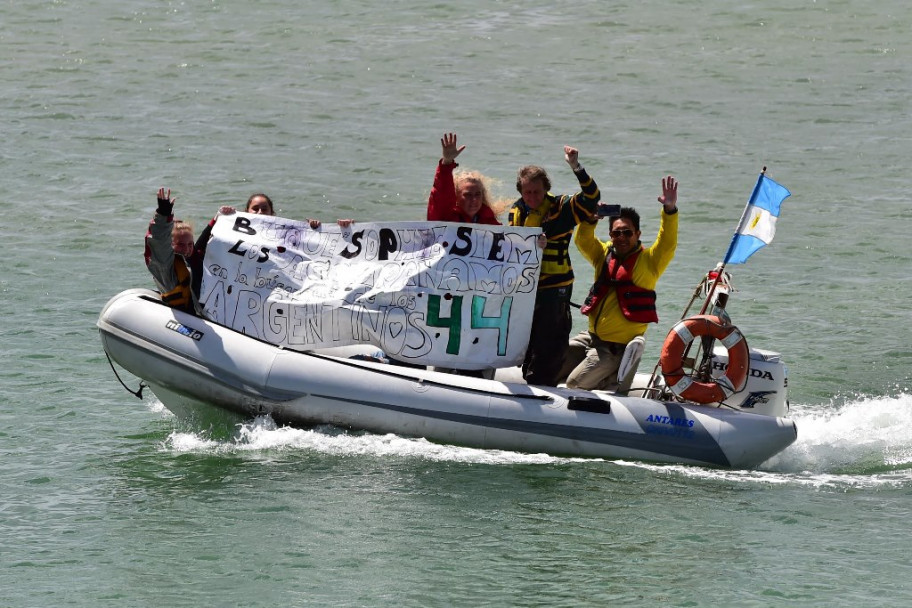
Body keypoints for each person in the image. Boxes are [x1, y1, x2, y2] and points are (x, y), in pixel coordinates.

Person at [561, 176, 679, 391]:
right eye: (617, 233)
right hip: (591, 338)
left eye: (627, 232)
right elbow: (583, 241)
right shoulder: (603, 254)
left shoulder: (650, 262)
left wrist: (669, 211)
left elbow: (667, 242)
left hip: (615, 349)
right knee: (550, 367)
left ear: (638, 234)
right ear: (610, 235)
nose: (621, 237)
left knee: (573, 384)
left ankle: (612, 378)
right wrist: (590, 219)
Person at [508, 147, 601, 386]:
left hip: (555, 290)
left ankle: (542, 386)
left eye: (537, 192)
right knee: (527, 345)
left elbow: (591, 198)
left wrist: (576, 167)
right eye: (527, 192)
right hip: (526, 290)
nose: (532, 197)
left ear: (546, 188)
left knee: (549, 343)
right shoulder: (515, 211)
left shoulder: (562, 208)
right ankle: (529, 379)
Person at [427, 133, 502, 225]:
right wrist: (446, 162)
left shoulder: (490, 222)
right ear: (456, 197)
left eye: (477, 194)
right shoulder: (444, 218)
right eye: (468, 195)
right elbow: (441, 192)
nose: (474, 199)